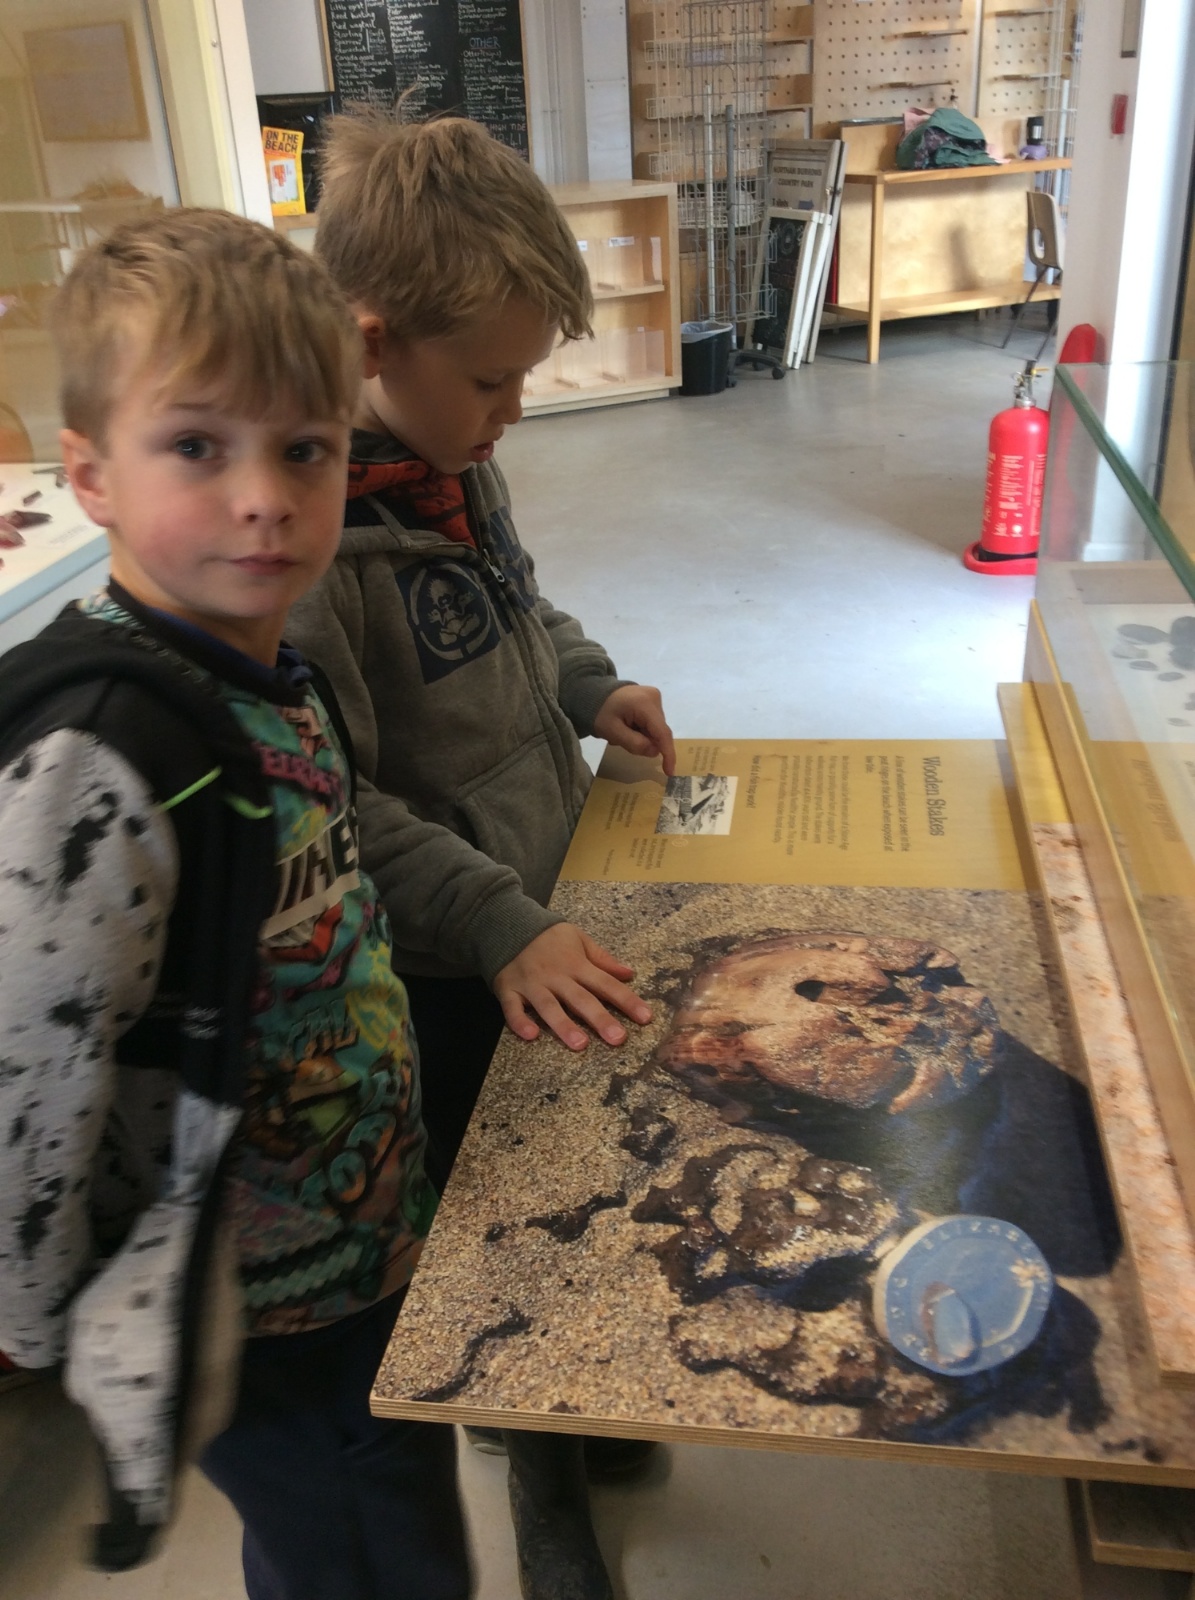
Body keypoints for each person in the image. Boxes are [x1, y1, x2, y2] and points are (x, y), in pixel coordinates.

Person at [0, 209, 471, 1600]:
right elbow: (25, 1065)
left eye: (304, 449)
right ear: (92, 474)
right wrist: (37, 1318)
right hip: (261, 1296)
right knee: (372, 1555)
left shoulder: (268, 674)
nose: (264, 496)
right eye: (198, 447)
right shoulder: (101, 754)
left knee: (364, 1525)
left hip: (359, 1232)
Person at [286, 112, 675, 1600]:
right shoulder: (310, 543)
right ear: (373, 342)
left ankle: (576, 1411)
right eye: (494, 379)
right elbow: (337, 805)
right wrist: (499, 923)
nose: (517, 406)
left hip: (540, 900)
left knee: (587, 1169)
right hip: (449, 968)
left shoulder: (457, 459)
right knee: (508, 1223)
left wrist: (586, 685)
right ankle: (539, 1472)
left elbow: (521, 605)